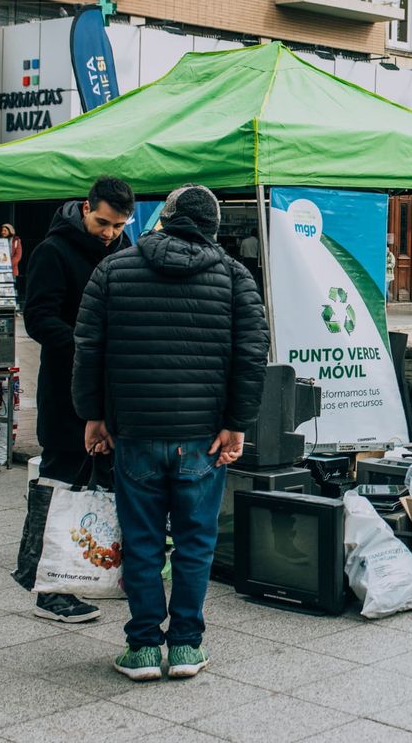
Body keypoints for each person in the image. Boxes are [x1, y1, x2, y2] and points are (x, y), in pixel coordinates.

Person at [73, 184, 268, 682]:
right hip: (202, 437)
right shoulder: (234, 277)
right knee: (195, 541)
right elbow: (251, 357)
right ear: (214, 228)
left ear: (165, 217)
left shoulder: (113, 270)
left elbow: (88, 350)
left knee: (140, 543)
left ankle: (141, 649)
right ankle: (185, 646)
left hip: (134, 432)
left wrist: (92, 415)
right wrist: (236, 424)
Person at [21, 176, 134, 623]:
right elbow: (38, 318)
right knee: (59, 485)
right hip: (65, 391)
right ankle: (48, 590)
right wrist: (86, 345)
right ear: (86, 208)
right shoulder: (53, 250)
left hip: (110, 393)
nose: (109, 232)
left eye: (119, 225)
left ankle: (94, 575)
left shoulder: (123, 250)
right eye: (103, 222)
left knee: (103, 490)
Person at [1, 223, 25, 300]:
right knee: (1, 288)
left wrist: (9, 264)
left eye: (5, 230)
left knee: (10, 288)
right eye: (2, 230)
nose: (3, 232)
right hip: (0, 268)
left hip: (11, 269)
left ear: (10, 231)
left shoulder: (16, 241)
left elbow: (18, 255)